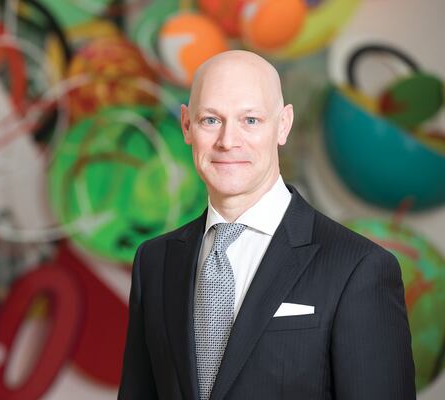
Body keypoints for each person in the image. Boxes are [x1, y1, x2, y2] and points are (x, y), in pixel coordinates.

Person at [118, 50, 415, 400]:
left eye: (251, 120)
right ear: (186, 125)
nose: (228, 141)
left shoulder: (358, 268)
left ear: (283, 125)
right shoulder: (154, 262)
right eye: (211, 120)